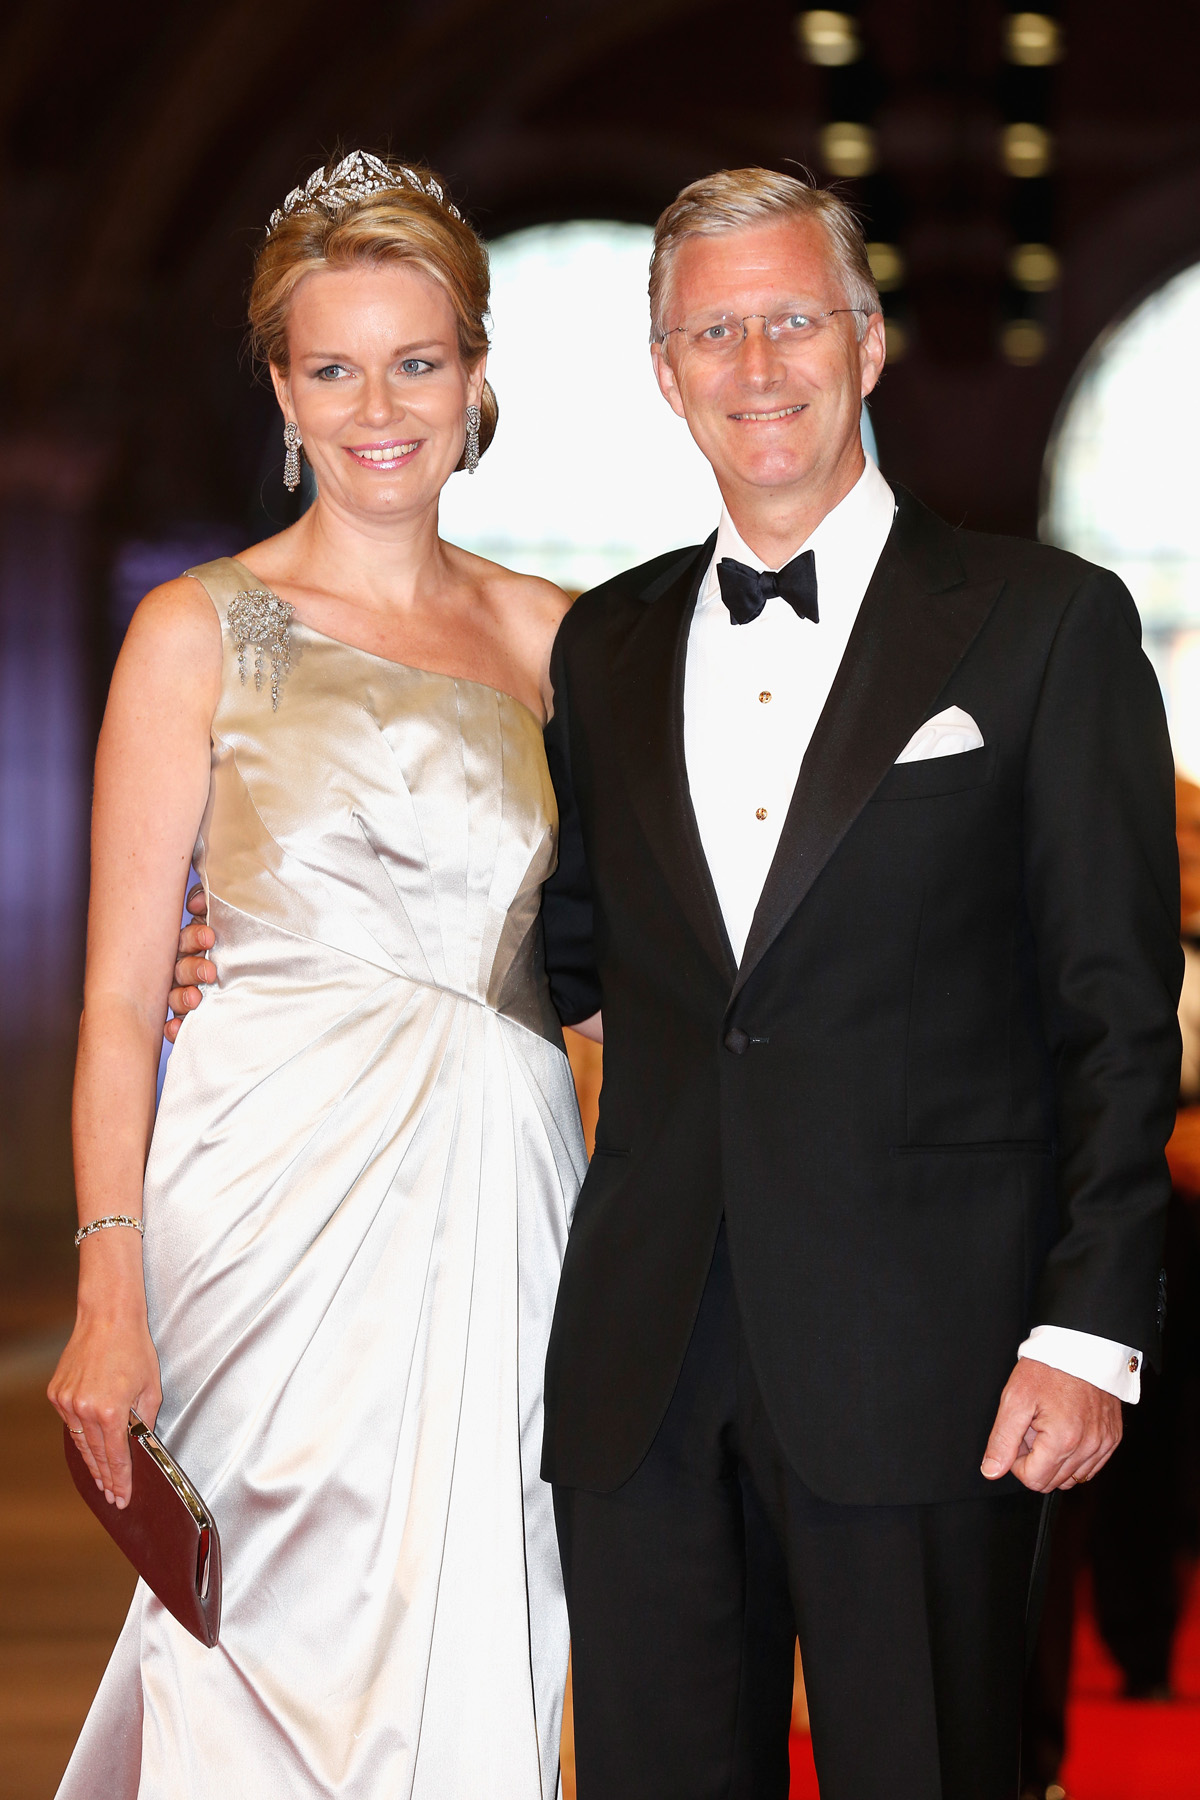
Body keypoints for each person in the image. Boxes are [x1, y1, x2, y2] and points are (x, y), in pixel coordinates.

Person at [535, 169, 1182, 1799]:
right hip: (644, 1371)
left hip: (939, 1363)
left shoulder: (1049, 624)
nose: (757, 366)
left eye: (794, 320)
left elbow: (1116, 1013)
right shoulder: (602, 648)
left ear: (871, 343)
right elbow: (562, 956)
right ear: (666, 370)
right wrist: (253, 954)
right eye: (714, 333)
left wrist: (1091, 1329)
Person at [48, 151, 585, 1799]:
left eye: (415, 362)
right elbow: (119, 1000)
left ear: (475, 375)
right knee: (252, 1651)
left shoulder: (564, 641)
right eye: (333, 369)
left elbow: (647, 948)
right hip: (258, 1208)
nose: (379, 409)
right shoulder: (197, 629)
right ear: (282, 389)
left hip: (507, 1197)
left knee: (487, 1627)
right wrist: (110, 1295)